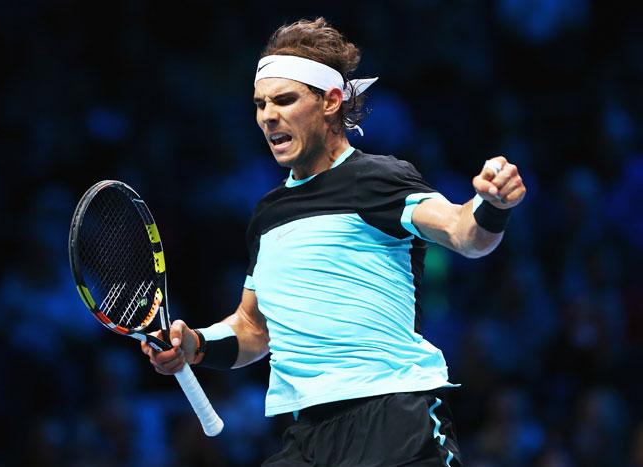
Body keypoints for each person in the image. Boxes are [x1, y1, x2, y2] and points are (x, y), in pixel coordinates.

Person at [141, 17, 526, 466]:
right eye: (260, 104)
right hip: (307, 434)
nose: (268, 116)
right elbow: (253, 329)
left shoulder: (378, 178)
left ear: (331, 101)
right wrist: (196, 345)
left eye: (284, 100)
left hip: (393, 420)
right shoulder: (267, 215)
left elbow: (466, 233)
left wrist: (493, 203)